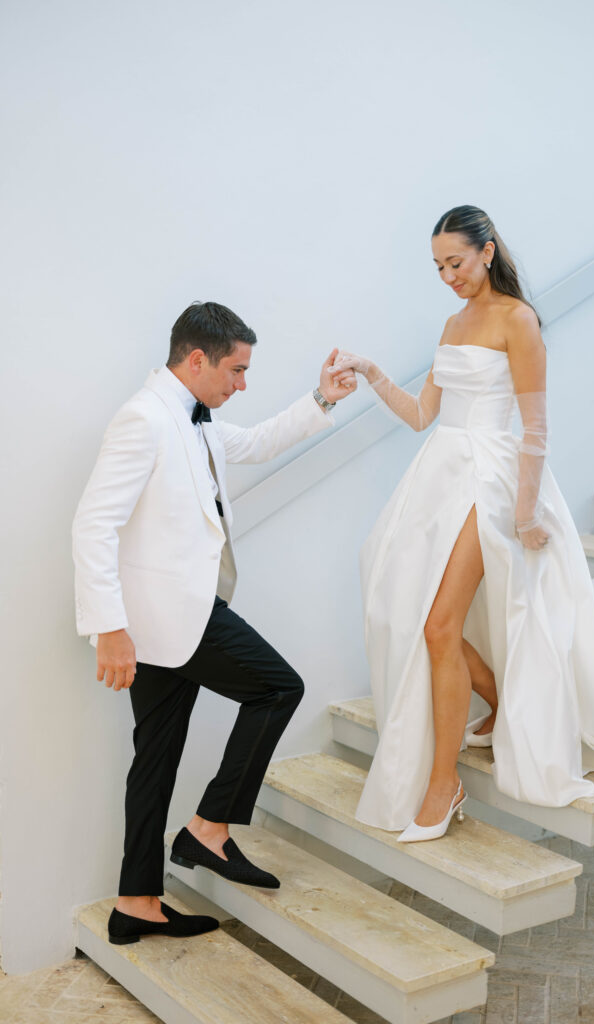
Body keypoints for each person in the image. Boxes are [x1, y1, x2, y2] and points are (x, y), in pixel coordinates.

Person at [329, 205, 594, 842]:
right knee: (405, 607)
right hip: (437, 476)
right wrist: (372, 374)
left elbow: (536, 427)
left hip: (491, 480)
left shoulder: (518, 319)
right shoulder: (452, 323)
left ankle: (442, 784)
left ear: (486, 251)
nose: (448, 275)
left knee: (437, 623)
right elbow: (425, 414)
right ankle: (503, 704)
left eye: (456, 261)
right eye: (438, 267)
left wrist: (527, 510)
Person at [73, 301, 356, 943]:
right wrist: (109, 628)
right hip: (167, 617)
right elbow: (94, 525)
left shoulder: (195, 421)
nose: (242, 384)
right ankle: (208, 830)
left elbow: (257, 443)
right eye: (237, 369)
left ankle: (135, 902)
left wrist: (323, 398)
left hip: (172, 622)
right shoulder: (143, 420)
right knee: (279, 687)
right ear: (197, 360)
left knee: (155, 760)